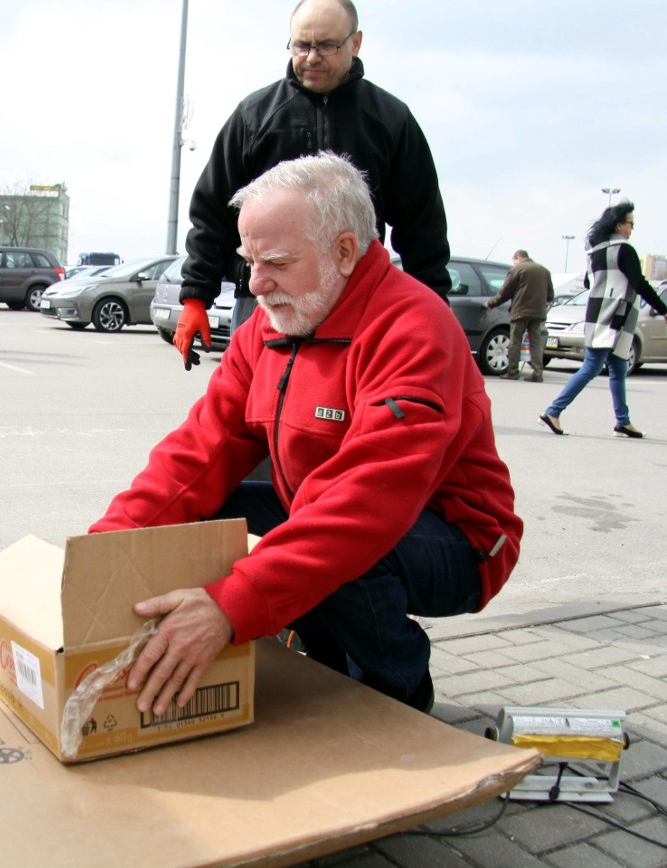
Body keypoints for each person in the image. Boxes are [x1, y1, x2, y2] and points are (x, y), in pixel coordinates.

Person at [88, 153, 521, 718]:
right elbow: (196, 454)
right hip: (321, 507)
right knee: (214, 522)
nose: (256, 284)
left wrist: (231, 606)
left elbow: (368, 501)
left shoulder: (412, 327)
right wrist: (105, 552)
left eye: (278, 262)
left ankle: (397, 696)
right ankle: (322, 656)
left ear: (345, 252)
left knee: (348, 552)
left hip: (456, 538)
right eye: (249, 261)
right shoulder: (265, 330)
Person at [173, 0, 451, 370]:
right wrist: (196, 297)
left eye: (326, 45)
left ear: (356, 43)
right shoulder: (255, 117)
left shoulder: (390, 121)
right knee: (254, 411)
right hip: (266, 299)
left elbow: (422, 224)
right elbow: (212, 211)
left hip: (357, 300)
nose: (311, 57)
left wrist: (433, 311)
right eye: (301, 45)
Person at [539, 201, 667, 439]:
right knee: (593, 366)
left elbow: (589, 284)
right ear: (620, 225)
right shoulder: (624, 250)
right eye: (631, 224)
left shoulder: (596, 252)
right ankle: (553, 411)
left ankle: (623, 421)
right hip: (615, 315)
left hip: (598, 312)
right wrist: (663, 309)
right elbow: (639, 284)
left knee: (618, 367)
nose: (632, 228)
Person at [484, 250, 554, 382]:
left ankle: (512, 372)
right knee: (535, 343)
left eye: (514, 261)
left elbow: (504, 292)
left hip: (520, 311)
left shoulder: (517, 269)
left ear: (519, 258)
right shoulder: (544, 271)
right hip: (538, 313)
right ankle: (538, 373)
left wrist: (490, 303)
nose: (514, 263)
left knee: (515, 341)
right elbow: (550, 295)